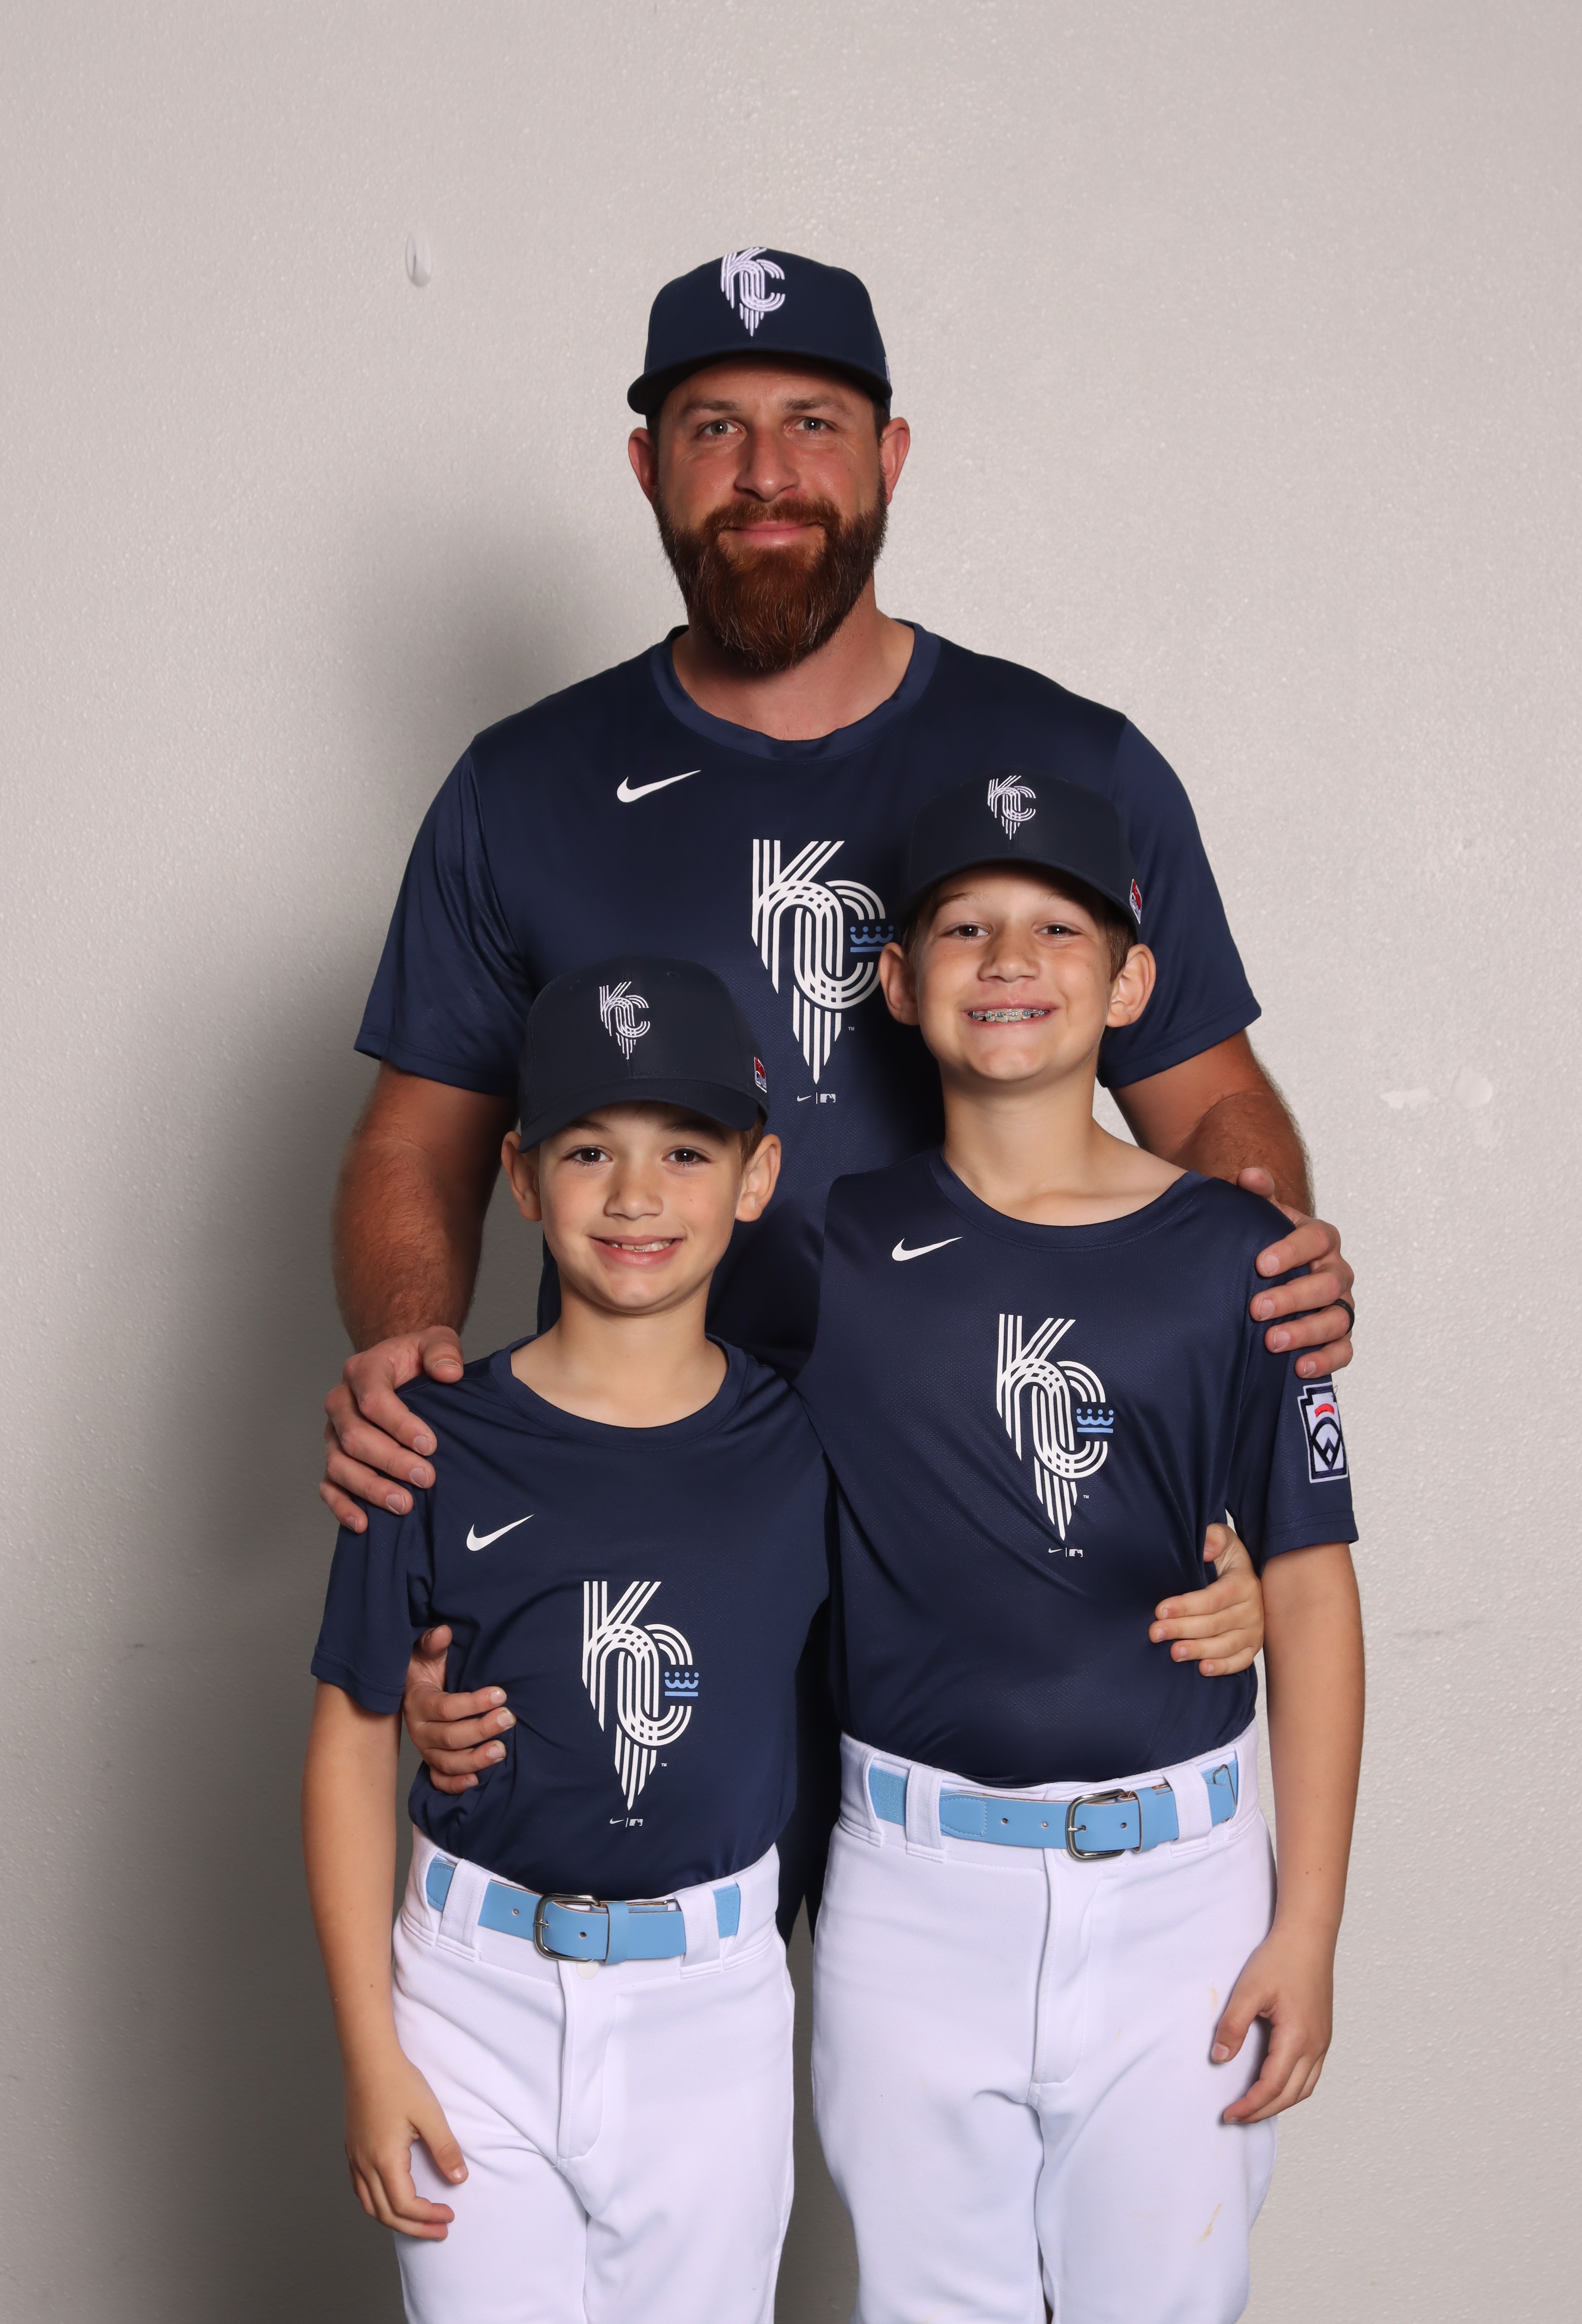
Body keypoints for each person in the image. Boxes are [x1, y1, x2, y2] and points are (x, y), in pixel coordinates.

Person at [319, 247, 1354, 1862]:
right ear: (648, 466)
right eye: (714, 428)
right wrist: (416, 1383)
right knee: (651, 1965)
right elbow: (417, 1145)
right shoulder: (520, 790)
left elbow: (1216, 1109)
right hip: (653, 1496)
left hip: (988, 1512)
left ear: (891, 455)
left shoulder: (1068, 763)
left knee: (965, 1959)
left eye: (813, 422)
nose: (766, 471)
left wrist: (1244, 1396)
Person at [794, 772, 1364, 2324]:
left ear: (1131, 980)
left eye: (1059, 927)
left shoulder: (1241, 1255)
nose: (1009, 960)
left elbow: (1313, 1589)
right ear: (896, 981)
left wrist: (1307, 1925)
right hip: (911, 1884)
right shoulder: (830, 1249)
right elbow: (678, 1474)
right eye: (964, 928)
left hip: (1181, 1889)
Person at [302, 957, 831, 2324]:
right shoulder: (425, 1441)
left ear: (757, 1177)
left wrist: (1225, 1580)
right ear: (524, 1180)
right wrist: (370, 2051)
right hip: (468, 1995)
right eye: (590, 1150)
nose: (637, 1195)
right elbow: (353, 1741)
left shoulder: (807, 1438)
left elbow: (971, 1590)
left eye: (686, 1151)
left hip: (713, 2005)